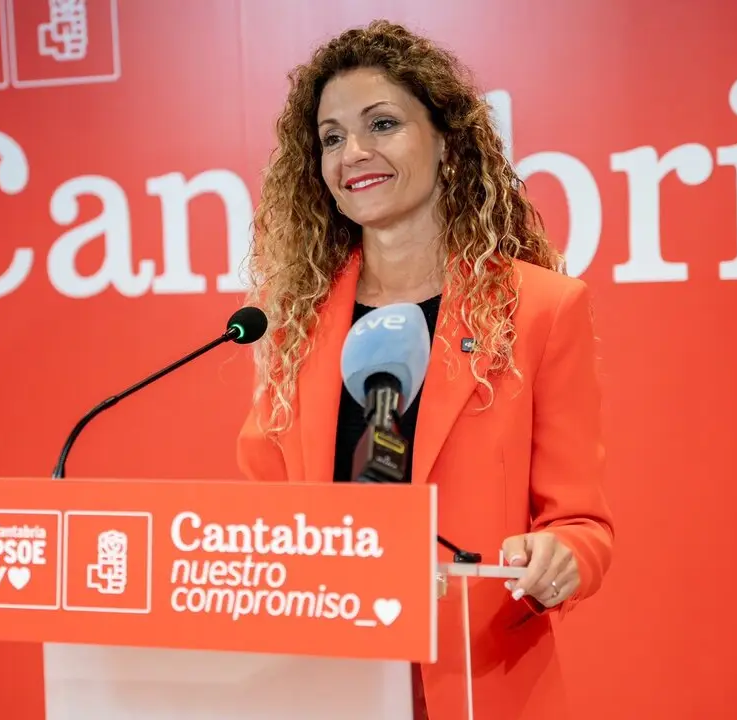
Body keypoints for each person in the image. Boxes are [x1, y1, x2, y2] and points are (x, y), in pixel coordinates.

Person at [236, 19, 614, 720]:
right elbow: (265, 519)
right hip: (328, 683)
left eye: (382, 124)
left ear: (446, 142)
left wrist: (560, 557)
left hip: (478, 679)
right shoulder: (294, 323)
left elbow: (581, 525)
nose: (354, 153)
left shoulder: (539, 309)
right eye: (331, 138)